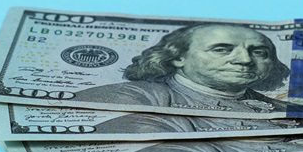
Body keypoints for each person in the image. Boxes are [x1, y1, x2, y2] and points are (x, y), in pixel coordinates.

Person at [73, 24, 291, 114]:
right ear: (178, 57)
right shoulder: (126, 98)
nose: (244, 60)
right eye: (222, 49)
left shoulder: (285, 109)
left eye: (260, 52)